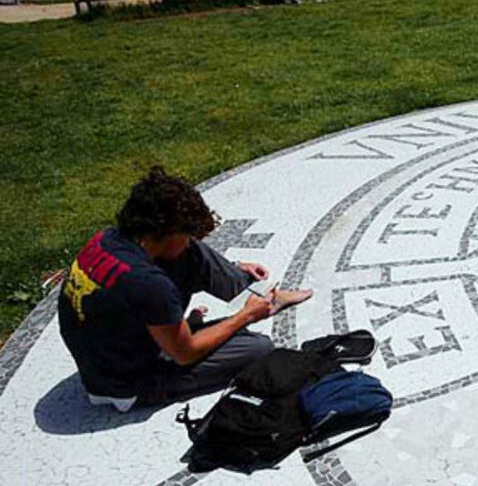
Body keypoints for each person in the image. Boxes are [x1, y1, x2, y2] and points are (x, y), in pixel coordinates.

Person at [58, 166, 312, 411]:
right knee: (258, 347)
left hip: (110, 352)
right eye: (187, 234)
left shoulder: (107, 239)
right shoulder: (150, 284)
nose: (191, 240)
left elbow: (123, 294)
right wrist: (244, 316)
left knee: (191, 255)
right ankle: (254, 305)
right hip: (130, 384)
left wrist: (232, 268)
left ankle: (263, 295)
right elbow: (185, 354)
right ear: (167, 233)